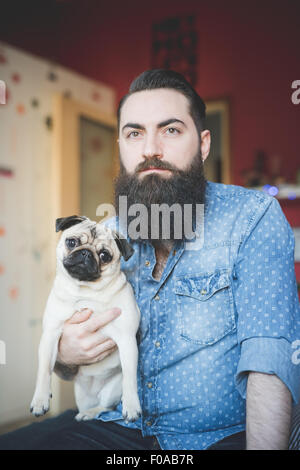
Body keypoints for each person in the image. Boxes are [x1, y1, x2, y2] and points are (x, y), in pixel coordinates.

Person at [0, 69, 299, 450]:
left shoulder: (252, 219)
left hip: (213, 438)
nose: (149, 149)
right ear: (121, 145)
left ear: (203, 144)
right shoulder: (106, 234)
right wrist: (64, 355)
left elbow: (269, 362)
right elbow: (64, 348)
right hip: (113, 424)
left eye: (171, 130)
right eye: (134, 133)